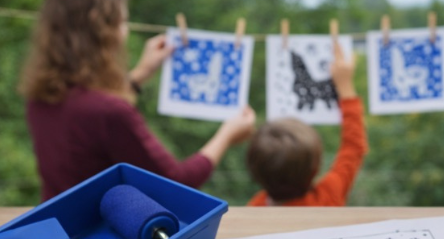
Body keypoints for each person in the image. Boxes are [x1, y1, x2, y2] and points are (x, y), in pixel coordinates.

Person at [19, 0, 255, 201]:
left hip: (52, 229)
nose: (126, 31)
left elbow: (86, 108)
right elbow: (177, 183)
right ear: (104, 32)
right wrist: (227, 135)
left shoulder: (41, 98)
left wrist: (139, 74)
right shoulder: (110, 112)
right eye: (122, 22)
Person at [246, 41, 367, 206]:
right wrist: (345, 87)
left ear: (254, 171)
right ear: (316, 168)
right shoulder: (327, 197)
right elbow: (353, 148)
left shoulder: (255, 208)